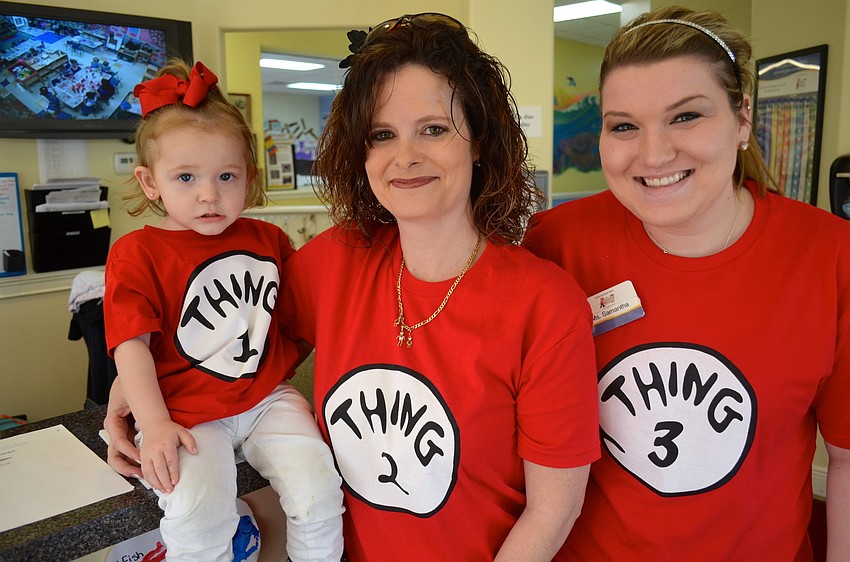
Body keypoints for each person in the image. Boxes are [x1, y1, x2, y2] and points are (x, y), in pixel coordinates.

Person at [106, 15, 600, 562]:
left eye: (433, 129)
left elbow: (554, 509)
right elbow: (216, 328)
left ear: (479, 139)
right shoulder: (335, 260)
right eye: (381, 135)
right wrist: (131, 392)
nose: (404, 156)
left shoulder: (545, 303)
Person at [524, 6, 850, 561]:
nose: (654, 155)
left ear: (743, 117)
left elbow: (845, 459)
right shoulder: (553, 246)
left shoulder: (830, 257)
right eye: (624, 125)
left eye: (685, 117)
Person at [104, 59, 344, 562]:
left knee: (320, 493)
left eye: (226, 175)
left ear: (249, 177)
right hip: (184, 413)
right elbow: (131, 347)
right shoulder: (136, 253)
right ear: (150, 183)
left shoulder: (270, 239)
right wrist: (154, 423)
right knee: (196, 516)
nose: (208, 194)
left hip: (265, 397)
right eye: (186, 176)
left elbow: (308, 309)